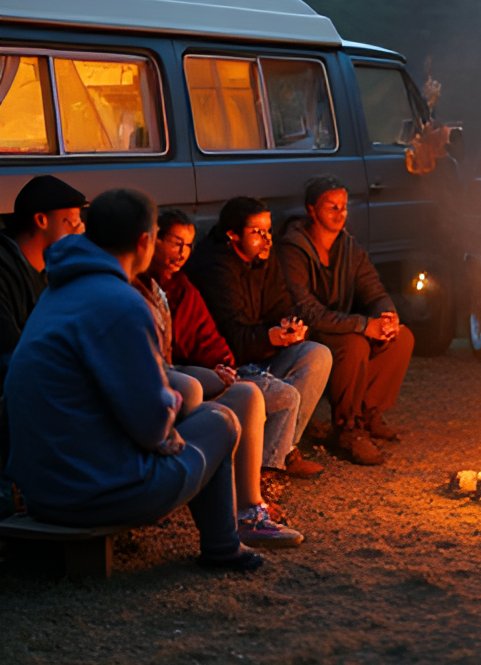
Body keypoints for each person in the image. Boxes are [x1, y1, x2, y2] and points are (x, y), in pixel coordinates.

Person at [4, 188, 263, 571]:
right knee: (219, 421)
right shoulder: (121, 301)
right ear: (145, 241)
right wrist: (171, 415)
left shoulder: (57, 291)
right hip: (96, 492)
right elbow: (150, 425)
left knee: (192, 411)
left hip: (42, 492)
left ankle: (223, 544)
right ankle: (223, 548)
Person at [137, 209, 303, 547]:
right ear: (148, 242)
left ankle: (251, 511)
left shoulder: (179, 287)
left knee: (249, 394)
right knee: (201, 393)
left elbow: (209, 337)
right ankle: (213, 513)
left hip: (185, 375)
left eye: (188, 245)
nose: (182, 254)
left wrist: (222, 365)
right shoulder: (129, 290)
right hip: (156, 387)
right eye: (174, 243)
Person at [185, 197, 331, 476]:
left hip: (260, 352)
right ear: (232, 235)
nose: (266, 239)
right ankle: (261, 468)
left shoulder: (265, 257)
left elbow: (282, 305)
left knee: (316, 354)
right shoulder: (215, 268)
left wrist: (291, 327)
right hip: (230, 365)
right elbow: (232, 336)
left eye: (268, 231)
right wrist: (271, 338)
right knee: (285, 394)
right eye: (257, 232)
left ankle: (284, 449)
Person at [279, 176, 414, 466]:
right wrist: (364, 325)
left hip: (340, 324)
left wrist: (387, 316)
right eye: (332, 207)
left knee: (402, 336)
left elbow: (373, 290)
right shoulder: (293, 249)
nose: (340, 214)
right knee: (354, 345)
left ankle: (368, 414)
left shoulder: (348, 248)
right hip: (306, 331)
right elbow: (306, 309)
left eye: (343, 207)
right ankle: (347, 427)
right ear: (311, 210)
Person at [0, 175, 86, 387]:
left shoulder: (50, 273)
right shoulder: (5, 271)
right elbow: (9, 355)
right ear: (41, 220)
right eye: (73, 223)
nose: (80, 232)